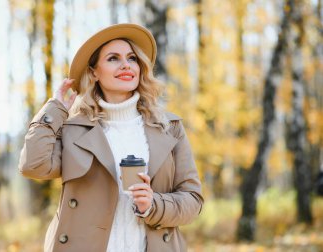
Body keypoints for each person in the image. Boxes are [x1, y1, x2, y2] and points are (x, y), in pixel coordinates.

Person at [18, 23, 203, 252]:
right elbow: (32, 166)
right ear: (94, 72)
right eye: (113, 58)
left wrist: (153, 204)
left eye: (132, 58)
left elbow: (193, 200)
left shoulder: (169, 127)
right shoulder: (74, 129)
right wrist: (55, 108)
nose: (126, 65)